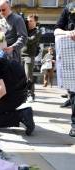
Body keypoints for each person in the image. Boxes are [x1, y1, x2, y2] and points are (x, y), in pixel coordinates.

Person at [54, 2, 75, 137]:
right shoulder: (69, 7)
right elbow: (56, 29)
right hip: (72, 55)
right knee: (74, 91)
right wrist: (69, 33)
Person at [21, 14, 41, 102]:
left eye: (31, 21)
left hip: (29, 56)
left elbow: (30, 40)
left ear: (36, 22)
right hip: (20, 55)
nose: (29, 22)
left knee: (28, 76)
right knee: (20, 77)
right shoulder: (24, 29)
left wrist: (22, 35)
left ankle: (31, 95)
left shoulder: (38, 31)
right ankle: (22, 94)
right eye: (28, 21)